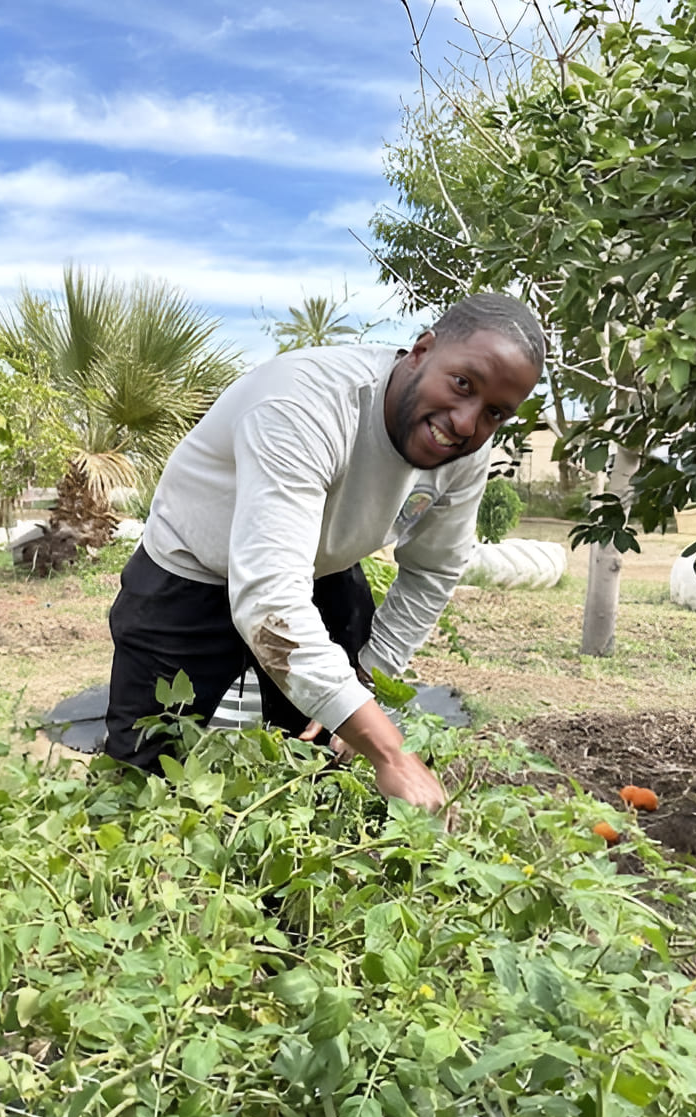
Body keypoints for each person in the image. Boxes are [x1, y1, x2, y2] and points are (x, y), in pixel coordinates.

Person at [102, 292, 545, 819]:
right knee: (141, 779)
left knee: (324, 770)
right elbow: (269, 600)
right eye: (462, 384)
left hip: (320, 573)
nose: (467, 423)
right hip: (188, 574)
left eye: (495, 412)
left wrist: (365, 682)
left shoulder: (465, 452)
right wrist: (392, 751)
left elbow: (432, 570)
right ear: (422, 351)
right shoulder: (305, 404)